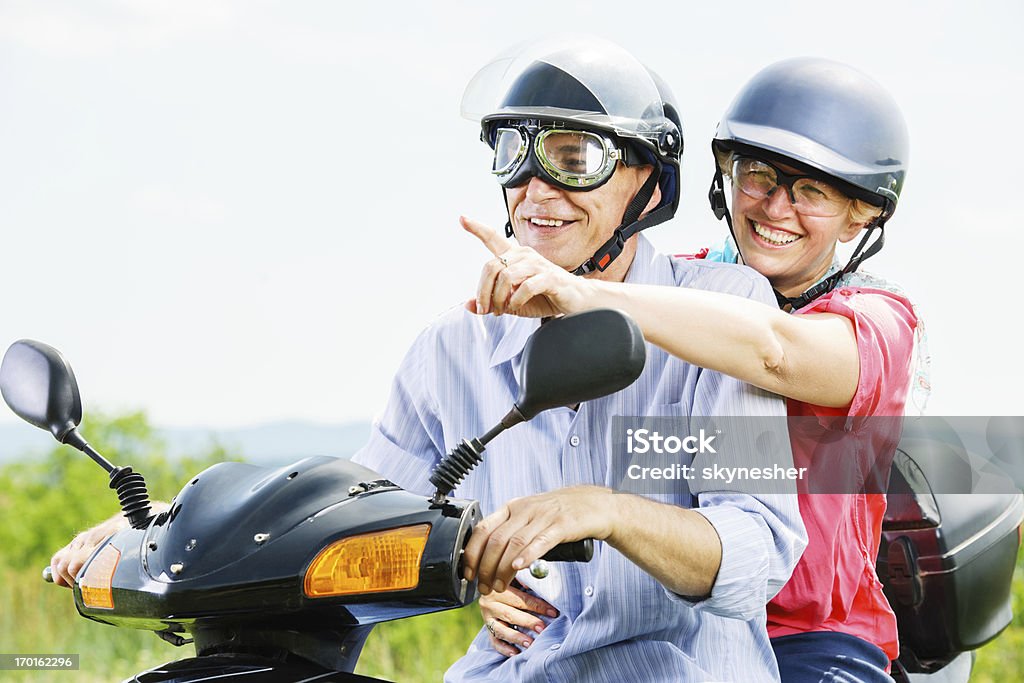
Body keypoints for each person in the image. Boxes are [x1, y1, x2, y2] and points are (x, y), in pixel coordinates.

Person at [48, 39, 806, 682]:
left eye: (574, 157)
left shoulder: (721, 314)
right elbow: (346, 512)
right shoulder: (454, 349)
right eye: (515, 154)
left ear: (645, 179)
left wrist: (604, 510)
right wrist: (148, 535)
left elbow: (757, 551)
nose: (538, 186)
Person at [468, 57, 920, 682]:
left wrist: (588, 296)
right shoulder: (676, 289)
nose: (775, 206)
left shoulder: (879, 321)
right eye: (757, 176)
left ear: (862, 213)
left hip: (808, 634)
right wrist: (499, 571)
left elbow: (775, 351)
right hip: (673, 618)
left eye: (812, 190)